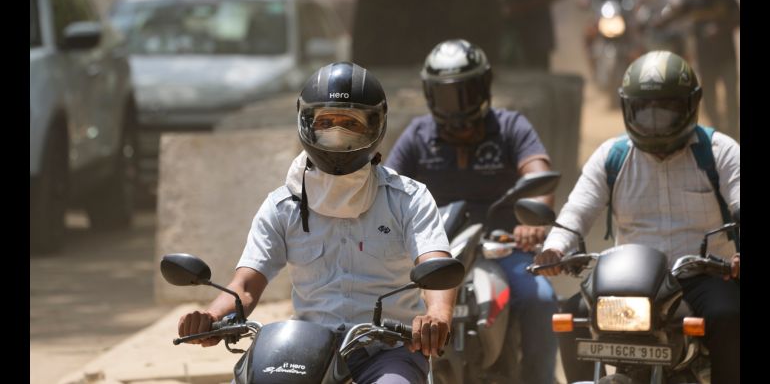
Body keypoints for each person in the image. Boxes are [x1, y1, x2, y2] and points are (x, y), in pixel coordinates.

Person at [177, 61, 457, 384]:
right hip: (305, 350)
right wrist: (213, 316)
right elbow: (245, 286)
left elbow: (437, 268)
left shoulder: (408, 198)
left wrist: (437, 315)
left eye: (350, 123)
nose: (337, 133)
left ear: (375, 126)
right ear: (306, 123)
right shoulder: (282, 206)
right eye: (326, 122)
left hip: (387, 351)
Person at [534, 51, 740, 384]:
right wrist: (555, 248)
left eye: (666, 111)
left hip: (702, 277)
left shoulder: (720, 151)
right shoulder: (611, 156)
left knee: (728, 316)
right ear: (628, 109)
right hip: (630, 281)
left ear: (691, 105)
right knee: (571, 317)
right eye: (644, 112)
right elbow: (577, 210)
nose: (654, 122)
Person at [385, 39, 559, 384]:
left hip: (503, 248)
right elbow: (386, 189)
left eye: (465, 92)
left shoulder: (510, 127)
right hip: (433, 255)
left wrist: (534, 221)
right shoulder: (417, 136)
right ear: (430, 95)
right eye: (447, 95)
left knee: (541, 298)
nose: (457, 107)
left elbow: (539, 175)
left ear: (484, 86)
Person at [655, 0, 740, 140]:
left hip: (726, 57)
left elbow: (737, 20)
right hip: (705, 59)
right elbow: (675, 14)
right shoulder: (693, 1)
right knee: (709, 98)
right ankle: (720, 131)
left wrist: (722, 29)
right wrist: (659, 22)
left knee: (731, 96)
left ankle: (734, 131)